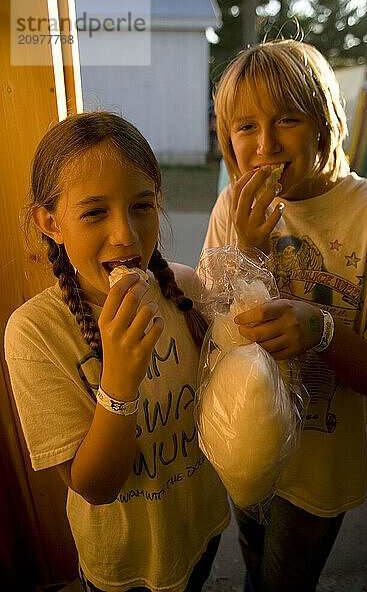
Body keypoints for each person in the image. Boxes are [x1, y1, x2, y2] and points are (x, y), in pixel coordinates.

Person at [202, 39, 367, 592]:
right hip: (243, 443)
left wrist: (323, 331)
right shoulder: (231, 207)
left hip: (319, 465)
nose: (265, 144)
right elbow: (215, 336)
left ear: (324, 121)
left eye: (287, 119)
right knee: (251, 566)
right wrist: (247, 250)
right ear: (227, 137)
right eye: (245, 126)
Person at [4, 111, 231, 592]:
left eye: (142, 205)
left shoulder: (184, 289)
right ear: (50, 222)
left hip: (201, 521)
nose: (126, 234)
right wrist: (120, 381)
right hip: (122, 560)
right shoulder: (33, 334)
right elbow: (95, 486)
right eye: (93, 212)